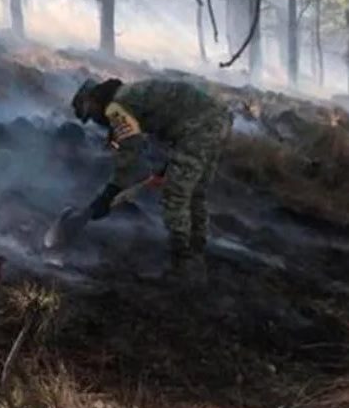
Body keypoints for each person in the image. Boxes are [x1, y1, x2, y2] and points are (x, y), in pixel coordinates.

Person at [71, 77, 233, 283]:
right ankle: (196, 257)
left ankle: (183, 266)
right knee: (195, 193)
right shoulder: (127, 96)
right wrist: (166, 167)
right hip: (216, 120)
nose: (94, 119)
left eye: (90, 114)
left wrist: (110, 192)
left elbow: (131, 148)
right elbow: (168, 122)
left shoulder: (116, 106)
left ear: (93, 100)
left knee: (176, 195)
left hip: (199, 127)